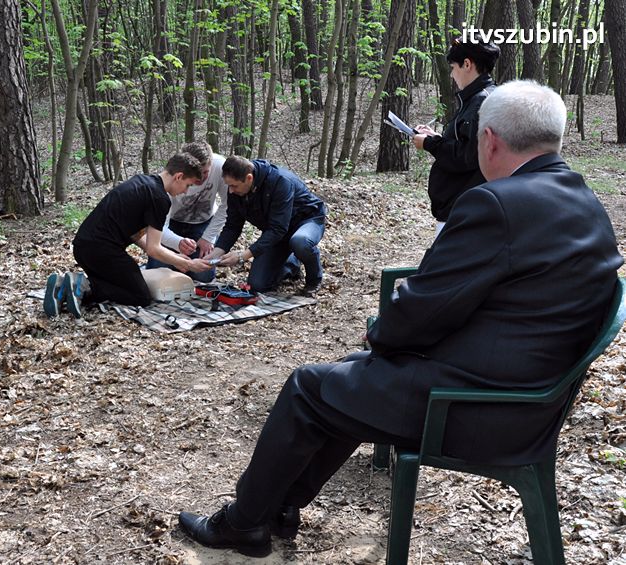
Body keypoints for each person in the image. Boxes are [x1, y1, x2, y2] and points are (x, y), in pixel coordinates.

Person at [178, 80, 623, 558]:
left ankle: (243, 523)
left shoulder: (496, 203)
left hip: (477, 407)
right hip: (529, 401)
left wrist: (381, 336)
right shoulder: (585, 200)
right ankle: (279, 506)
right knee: (347, 377)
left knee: (308, 387)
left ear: (489, 140)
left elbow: (421, 309)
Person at [44, 152, 211, 319]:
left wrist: (175, 259)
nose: (185, 191)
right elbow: (153, 249)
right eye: (188, 185)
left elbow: (135, 234)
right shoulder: (159, 198)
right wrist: (188, 264)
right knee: (140, 296)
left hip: (83, 248)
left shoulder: (141, 181)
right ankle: (84, 286)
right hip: (102, 252)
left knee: (117, 283)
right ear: (178, 177)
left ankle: (62, 288)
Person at [207, 156, 327, 297]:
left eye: (234, 186)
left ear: (249, 178)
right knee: (257, 285)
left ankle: (314, 280)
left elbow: (278, 228)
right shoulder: (235, 191)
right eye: (229, 186)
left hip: (307, 221)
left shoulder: (280, 181)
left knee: (300, 241)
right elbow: (233, 225)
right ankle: (291, 263)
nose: (231, 191)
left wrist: (242, 256)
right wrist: (216, 253)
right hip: (277, 233)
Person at [413, 39, 499, 235]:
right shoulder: (479, 99)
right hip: (463, 208)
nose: (451, 75)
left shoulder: (481, 102)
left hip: (466, 211)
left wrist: (430, 144)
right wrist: (436, 137)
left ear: (467, 64)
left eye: (453, 68)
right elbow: (466, 144)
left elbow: (469, 156)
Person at [146, 141, 228, 282]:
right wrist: (177, 243)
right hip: (172, 224)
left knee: (203, 275)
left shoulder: (220, 166)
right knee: (158, 271)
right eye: (196, 174)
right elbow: (158, 228)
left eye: (205, 172)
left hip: (203, 223)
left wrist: (208, 237)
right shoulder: (169, 178)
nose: (200, 178)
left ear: (211, 163)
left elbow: (228, 205)